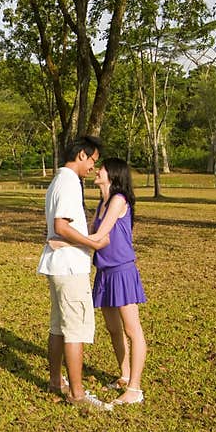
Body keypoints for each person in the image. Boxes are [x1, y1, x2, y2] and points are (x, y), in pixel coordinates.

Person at [50, 157, 147, 406]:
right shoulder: (102, 202)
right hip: (104, 271)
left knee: (131, 330)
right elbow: (92, 237)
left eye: (101, 168)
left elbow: (100, 237)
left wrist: (65, 241)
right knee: (114, 330)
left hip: (122, 271)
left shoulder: (117, 200)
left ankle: (135, 388)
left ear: (112, 175)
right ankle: (125, 375)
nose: (96, 170)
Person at [37, 135, 112, 412]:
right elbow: (61, 225)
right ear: (82, 155)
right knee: (75, 330)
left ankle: (57, 382)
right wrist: (93, 242)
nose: (93, 167)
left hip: (58, 265)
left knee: (58, 327)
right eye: (92, 160)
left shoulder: (59, 180)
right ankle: (77, 394)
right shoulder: (69, 182)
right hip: (69, 268)